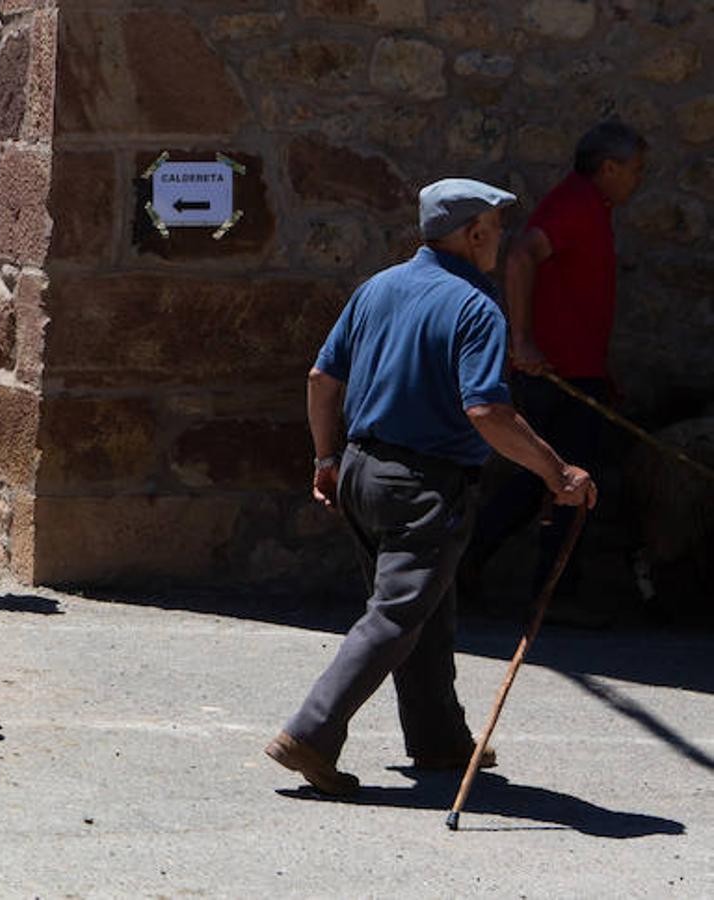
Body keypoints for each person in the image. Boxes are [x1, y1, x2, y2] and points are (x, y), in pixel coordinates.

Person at [265, 179, 597, 797]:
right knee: (396, 614)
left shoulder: (379, 287)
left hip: (362, 472)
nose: (501, 239)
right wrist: (558, 473)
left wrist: (326, 457)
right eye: (496, 228)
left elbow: (320, 377)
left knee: (424, 607)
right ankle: (311, 731)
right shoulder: (476, 306)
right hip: (424, 486)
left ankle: (439, 738)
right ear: (473, 233)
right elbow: (488, 413)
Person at [462, 121, 648, 621]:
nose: (637, 180)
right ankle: (547, 592)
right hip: (557, 372)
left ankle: (490, 571)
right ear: (608, 168)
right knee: (556, 478)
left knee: (547, 478)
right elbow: (522, 255)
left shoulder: (589, 206)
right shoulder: (577, 205)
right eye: (634, 170)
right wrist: (520, 339)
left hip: (575, 370)